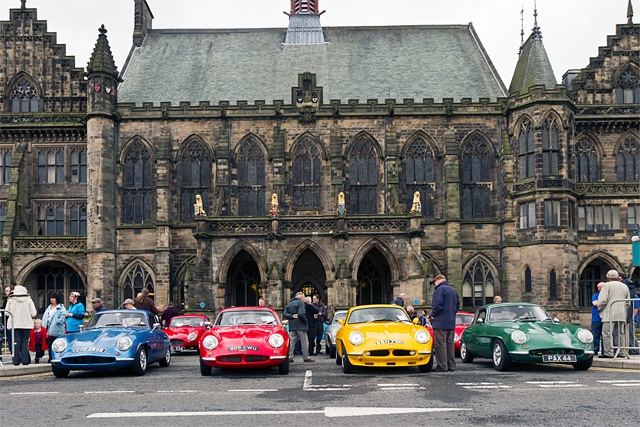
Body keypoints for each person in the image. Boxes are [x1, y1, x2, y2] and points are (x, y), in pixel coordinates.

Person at [595, 270, 630, 358]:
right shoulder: (625, 286)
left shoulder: (607, 285)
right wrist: (623, 309)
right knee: (620, 333)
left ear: (608, 277)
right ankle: (621, 352)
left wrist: (599, 309)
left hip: (609, 313)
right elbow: (628, 302)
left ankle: (608, 352)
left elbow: (602, 300)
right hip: (621, 313)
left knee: (607, 333)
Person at [430, 274, 460, 372]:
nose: (435, 285)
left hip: (440, 321)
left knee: (440, 344)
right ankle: (451, 365)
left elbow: (437, 305)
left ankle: (442, 366)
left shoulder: (440, 290)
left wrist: (433, 315)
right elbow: (457, 306)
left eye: (434, 282)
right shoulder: (453, 290)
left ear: (438, 280)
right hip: (451, 321)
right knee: (449, 344)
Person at [5, 285, 37, 365]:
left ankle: (16, 361)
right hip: (26, 324)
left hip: (14, 324)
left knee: (16, 342)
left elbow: (6, 312)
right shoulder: (28, 300)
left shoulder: (11, 300)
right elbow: (34, 313)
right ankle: (25, 361)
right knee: (25, 342)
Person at [283, 291, 314, 363]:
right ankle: (306, 357)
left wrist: (291, 316)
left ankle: (290, 357)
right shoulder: (301, 303)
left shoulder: (289, 303)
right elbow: (301, 313)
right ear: (301, 297)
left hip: (292, 325)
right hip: (301, 325)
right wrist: (305, 322)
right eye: (303, 297)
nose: (304, 298)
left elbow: (285, 313)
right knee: (304, 342)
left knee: (291, 342)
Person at [42, 293, 66, 362]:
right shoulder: (48, 308)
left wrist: (57, 321)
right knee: (49, 345)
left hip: (57, 329)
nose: (51, 300)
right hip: (48, 329)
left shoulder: (61, 308)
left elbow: (63, 318)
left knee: (57, 345)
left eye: (53, 298)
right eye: (51, 298)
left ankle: (57, 357)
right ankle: (50, 358)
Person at [619, 273, 639, 355]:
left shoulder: (635, 296)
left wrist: (631, 318)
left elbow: (635, 308)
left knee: (631, 333)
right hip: (627, 317)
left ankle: (635, 349)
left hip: (632, 318)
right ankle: (630, 349)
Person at [591, 282, 605, 356]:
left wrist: (598, 303)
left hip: (605, 318)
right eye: (598, 287)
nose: (599, 288)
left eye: (601, 287)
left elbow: (598, 304)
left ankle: (604, 351)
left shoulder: (606, 295)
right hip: (596, 318)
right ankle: (595, 350)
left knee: (605, 336)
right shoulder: (595, 295)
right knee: (595, 336)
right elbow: (595, 304)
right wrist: (602, 304)